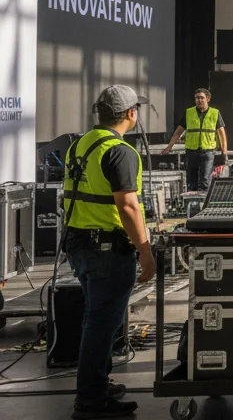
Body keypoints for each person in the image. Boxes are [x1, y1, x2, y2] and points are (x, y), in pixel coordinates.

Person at [64, 86, 155, 419]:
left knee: (96, 318)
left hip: (80, 244)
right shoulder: (119, 151)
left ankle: (98, 384)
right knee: (101, 324)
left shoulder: (80, 144)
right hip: (107, 248)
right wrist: (145, 251)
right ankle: (90, 399)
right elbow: (128, 206)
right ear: (131, 113)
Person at [162, 88, 228, 192]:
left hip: (207, 151)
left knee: (205, 180)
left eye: (202, 98)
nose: (199, 100)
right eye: (197, 98)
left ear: (208, 99)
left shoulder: (215, 113)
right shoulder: (189, 112)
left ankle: (202, 203)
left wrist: (224, 152)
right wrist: (169, 147)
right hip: (191, 151)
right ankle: (191, 204)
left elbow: (222, 134)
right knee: (191, 181)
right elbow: (179, 131)